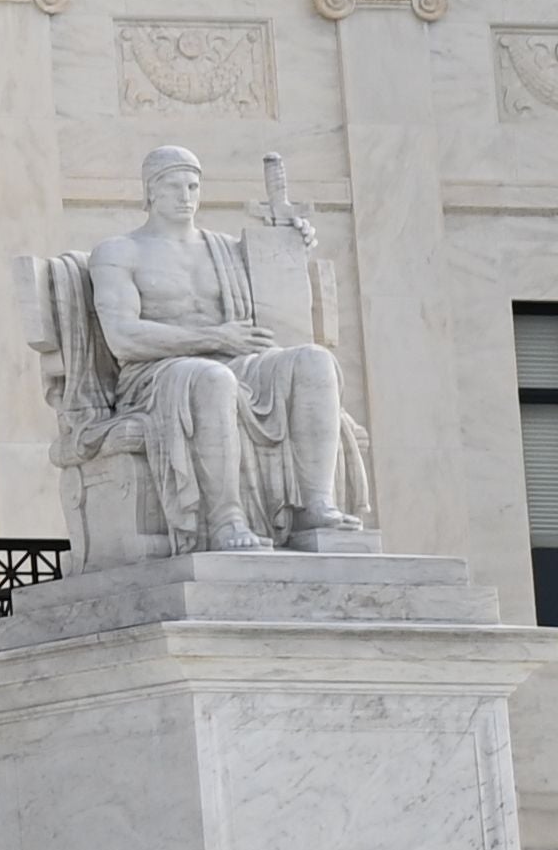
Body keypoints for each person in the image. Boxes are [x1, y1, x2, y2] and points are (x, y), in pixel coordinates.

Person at [85, 144, 366, 552]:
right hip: (157, 373)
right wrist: (215, 338)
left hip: (234, 361)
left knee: (314, 361)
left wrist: (290, 243)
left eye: (193, 186)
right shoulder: (119, 252)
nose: (186, 196)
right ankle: (225, 519)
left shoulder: (228, 250)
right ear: (150, 192)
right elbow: (123, 337)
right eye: (173, 186)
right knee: (212, 378)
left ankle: (315, 505)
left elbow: (279, 309)